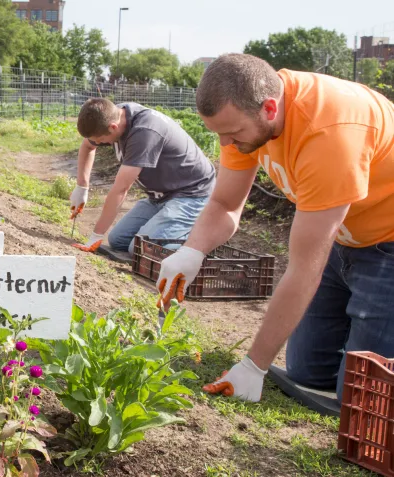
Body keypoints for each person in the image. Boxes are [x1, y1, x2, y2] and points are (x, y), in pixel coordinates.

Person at [156, 53, 394, 403]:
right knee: (306, 374)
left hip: (387, 244)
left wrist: (254, 366)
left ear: (270, 109)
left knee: (362, 398)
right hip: (343, 238)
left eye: (232, 133)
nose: (226, 145)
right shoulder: (246, 115)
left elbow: (303, 269)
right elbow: (225, 203)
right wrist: (192, 250)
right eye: (219, 133)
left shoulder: (329, 133)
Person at [70, 99, 216, 256]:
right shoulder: (111, 116)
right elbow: (88, 146)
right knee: (118, 240)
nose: (98, 143)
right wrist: (82, 187)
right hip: (160, 196)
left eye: (100, 140)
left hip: (192, 194)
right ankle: (173, 228)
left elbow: (121, 189)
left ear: (113, 127)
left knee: (140, 250)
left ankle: (199, 238)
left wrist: (96, 236)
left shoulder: (144, 131)